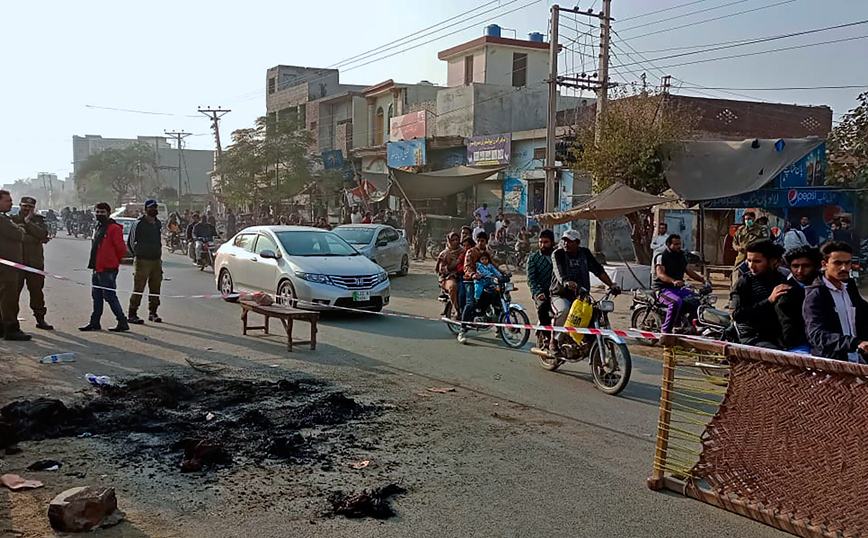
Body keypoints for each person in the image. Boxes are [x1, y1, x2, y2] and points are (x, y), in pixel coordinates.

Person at [550, 229, 619, 349]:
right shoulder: (558, 254)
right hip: (560, 294)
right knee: (565, 310)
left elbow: (598, 270)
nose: (566, 244)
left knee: (594, 314)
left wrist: (611, 285)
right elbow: (559, 271)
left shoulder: (585, 254)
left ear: (577, 242)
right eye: (564, 240)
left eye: (570, 241)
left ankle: (585, 342)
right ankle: (554, 341)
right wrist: (566, 282)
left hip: (581, 295)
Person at [804, 241, 868, 362]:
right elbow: (816, 335)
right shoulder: (816, 295)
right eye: (838, 263)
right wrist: (854, 343)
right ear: (825, 264)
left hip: (859, 359)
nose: (844, 268)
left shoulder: (849, 287)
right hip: (832, 363)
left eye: (847, 263)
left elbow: (864, 314)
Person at [80, 202, 129, 332]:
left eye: (102, 212)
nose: (99, 214)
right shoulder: (99, 227)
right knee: (96, 296)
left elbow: (121, 249)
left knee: (109, 296)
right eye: (98, 212)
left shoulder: (113, 228)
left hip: (108, 268)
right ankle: (95, 322)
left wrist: (113, 261)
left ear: (108, 213)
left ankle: (122, 321)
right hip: (97, 267)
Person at [730, 240, 788, 349]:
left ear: (772, 261)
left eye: (757, 261)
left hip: (776, 335)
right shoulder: (745, 282)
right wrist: (769, 301)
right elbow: (738, 314)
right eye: (749, 261)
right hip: (752, 336)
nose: (751, 266)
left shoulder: (781, 279)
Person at [653, 234, 708, 333]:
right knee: (675, 302)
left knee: (697, 299)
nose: (678, 246)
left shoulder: (681, 255)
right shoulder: (661, 255)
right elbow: (660, 274)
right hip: (663, 289)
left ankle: (690, 326)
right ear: (669, 244)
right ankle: (666, 332)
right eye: (676, 244)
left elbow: (688, 270)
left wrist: (702, 280)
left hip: (679, 289)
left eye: (680, 244)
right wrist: (673, 281)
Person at [13, 197, 53, 330]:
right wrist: (37, 240)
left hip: (35, 263)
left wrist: (28, 222)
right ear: (20, 205)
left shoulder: (38, 220)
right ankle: (11, 322)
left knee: (37, 292)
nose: (27, 209)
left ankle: (40, 319)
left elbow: (43, 233)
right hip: (17, 262)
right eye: (24, 206)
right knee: (12, 294)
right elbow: (17, 236)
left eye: (30, 207)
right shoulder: (12, 220)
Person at [776, 246, 821, 354]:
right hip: (799, 346)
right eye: (795, 266)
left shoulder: (825, 287)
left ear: (816, 267)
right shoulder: (786, 293)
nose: (800, 271)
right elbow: (789, 329)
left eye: (806, 266)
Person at [457, 231, 499, 344]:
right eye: (479, 240)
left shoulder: (487, 253)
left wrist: (503, 273)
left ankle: (500, 329)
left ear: (486, 242)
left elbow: (494, 265)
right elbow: (466, 266)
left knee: (497, 297)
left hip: (485, 280)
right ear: (477, 241)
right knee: (470, 303)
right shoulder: (470, 252)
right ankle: (462, 330)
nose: (481, 243)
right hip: (470, 280)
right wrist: (473, 274)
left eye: (483, 241)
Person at [0, 190, 31, 340]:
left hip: (7, 265)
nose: (11, 204)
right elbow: (19, 234)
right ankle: (11, 328)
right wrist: (21, 228)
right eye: (7, 201)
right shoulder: (2, 220)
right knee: (9, 299)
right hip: (6, 268)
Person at [127, 200, 163, 324]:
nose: (154, 209)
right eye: (151, 207)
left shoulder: (158, 223)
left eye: (155, 207)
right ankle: (132, 313)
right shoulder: (139, 223)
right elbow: (131, 242)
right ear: (146, 209)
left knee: (155, 288)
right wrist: (137, 255)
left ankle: (153, 312)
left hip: (156, 261)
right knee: (139, 288)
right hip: (142, 260)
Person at [526, 229, 555, 343]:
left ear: (552, 242)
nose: (543, 245)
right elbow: (531, 279)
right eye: (541, 242)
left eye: (546, 242)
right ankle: (547, 336)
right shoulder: (533, 258)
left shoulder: (557, 256)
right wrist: (538, 292)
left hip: (557, 291)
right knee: (543, 307)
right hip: (541, 291)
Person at [731, 211, 771, 288]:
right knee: (736, 276)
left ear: (753, 219)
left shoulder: (761, 230)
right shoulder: (741, 230)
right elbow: (734, 243)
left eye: (749, 219)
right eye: (746, 219)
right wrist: (739, 248)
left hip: (755, 257)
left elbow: (766, 242)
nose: (747, 221)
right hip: (741, 257)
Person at [436, 232, 463, 319]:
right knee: (453, 287)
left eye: (457, 240)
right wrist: (454, 264)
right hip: (448, 278)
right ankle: (457, 310)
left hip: (462, 275)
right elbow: (441, 270)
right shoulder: (444, 254)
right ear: (449, 241)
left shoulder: (463, 251)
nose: (455, 242)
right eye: (453, 240)